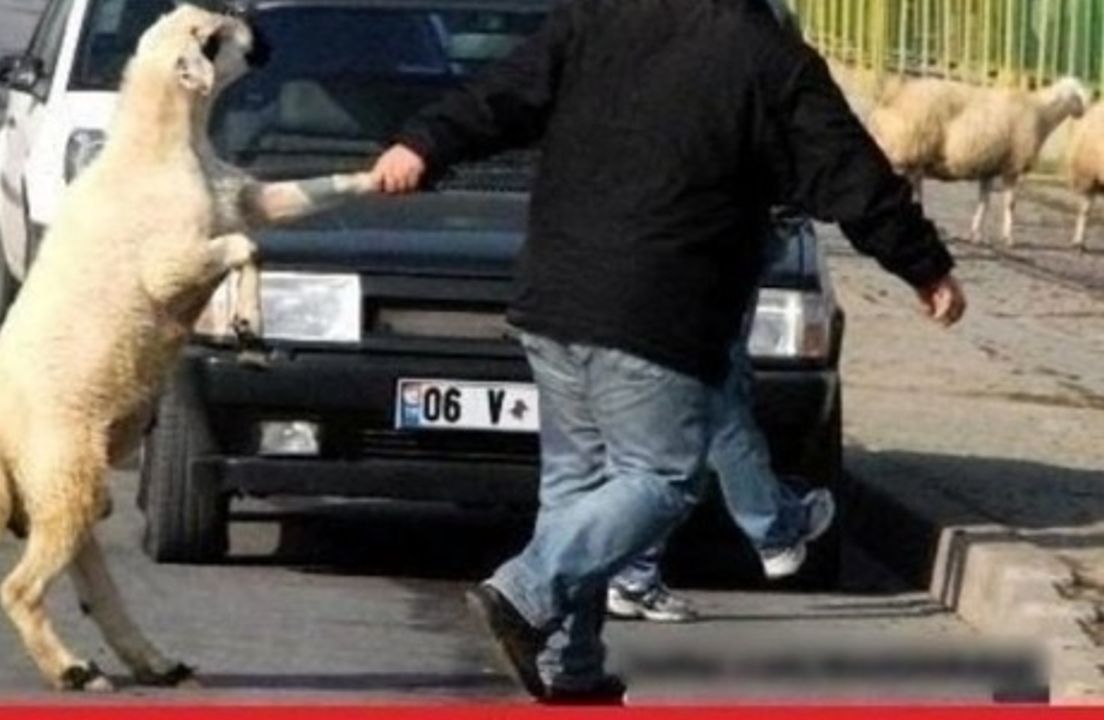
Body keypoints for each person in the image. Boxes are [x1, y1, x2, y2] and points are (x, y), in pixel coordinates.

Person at [371, 0, 966, 704]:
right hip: (657, 307)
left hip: (554, 296)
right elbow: (849, 172)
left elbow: (501, 94)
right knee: (661, 477)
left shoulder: (599, 18)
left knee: (579, 491)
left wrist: (424, 142)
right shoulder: (765, 54)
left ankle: (570, 665)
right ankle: (524, 592)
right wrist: (925, 266)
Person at [606, 0, 834, 625]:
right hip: (713, 249)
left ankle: (753, 530)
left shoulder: (665, 58)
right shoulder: (758, 60)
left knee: (703, 396)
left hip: (674, 244)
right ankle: (768, 526)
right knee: (707, 398)